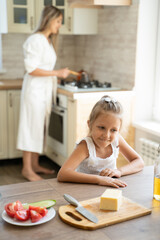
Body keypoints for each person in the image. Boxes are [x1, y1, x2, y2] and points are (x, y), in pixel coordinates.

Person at [17, 6, 70, 182]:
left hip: (43, 91)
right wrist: (57, 73)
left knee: (40, 128)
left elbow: (44, 67)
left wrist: (56, 78)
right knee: (31, 127)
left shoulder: (47, 41)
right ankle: (27, 169)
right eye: (58, 21)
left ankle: (35, 164)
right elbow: (31, 69)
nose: (60, 25)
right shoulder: (35, 39)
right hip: (34, 91)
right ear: (48, 19)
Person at [57, 95, 144, 188]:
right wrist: (99, 179)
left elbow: (139, 162)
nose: (106, 135)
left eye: (113, 130)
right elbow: (63, 174)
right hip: (85, 190)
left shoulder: (117, 140)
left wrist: (119, 171)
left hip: (109, 190)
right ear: (90, 124)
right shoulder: (85, 146)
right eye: (102, 128)